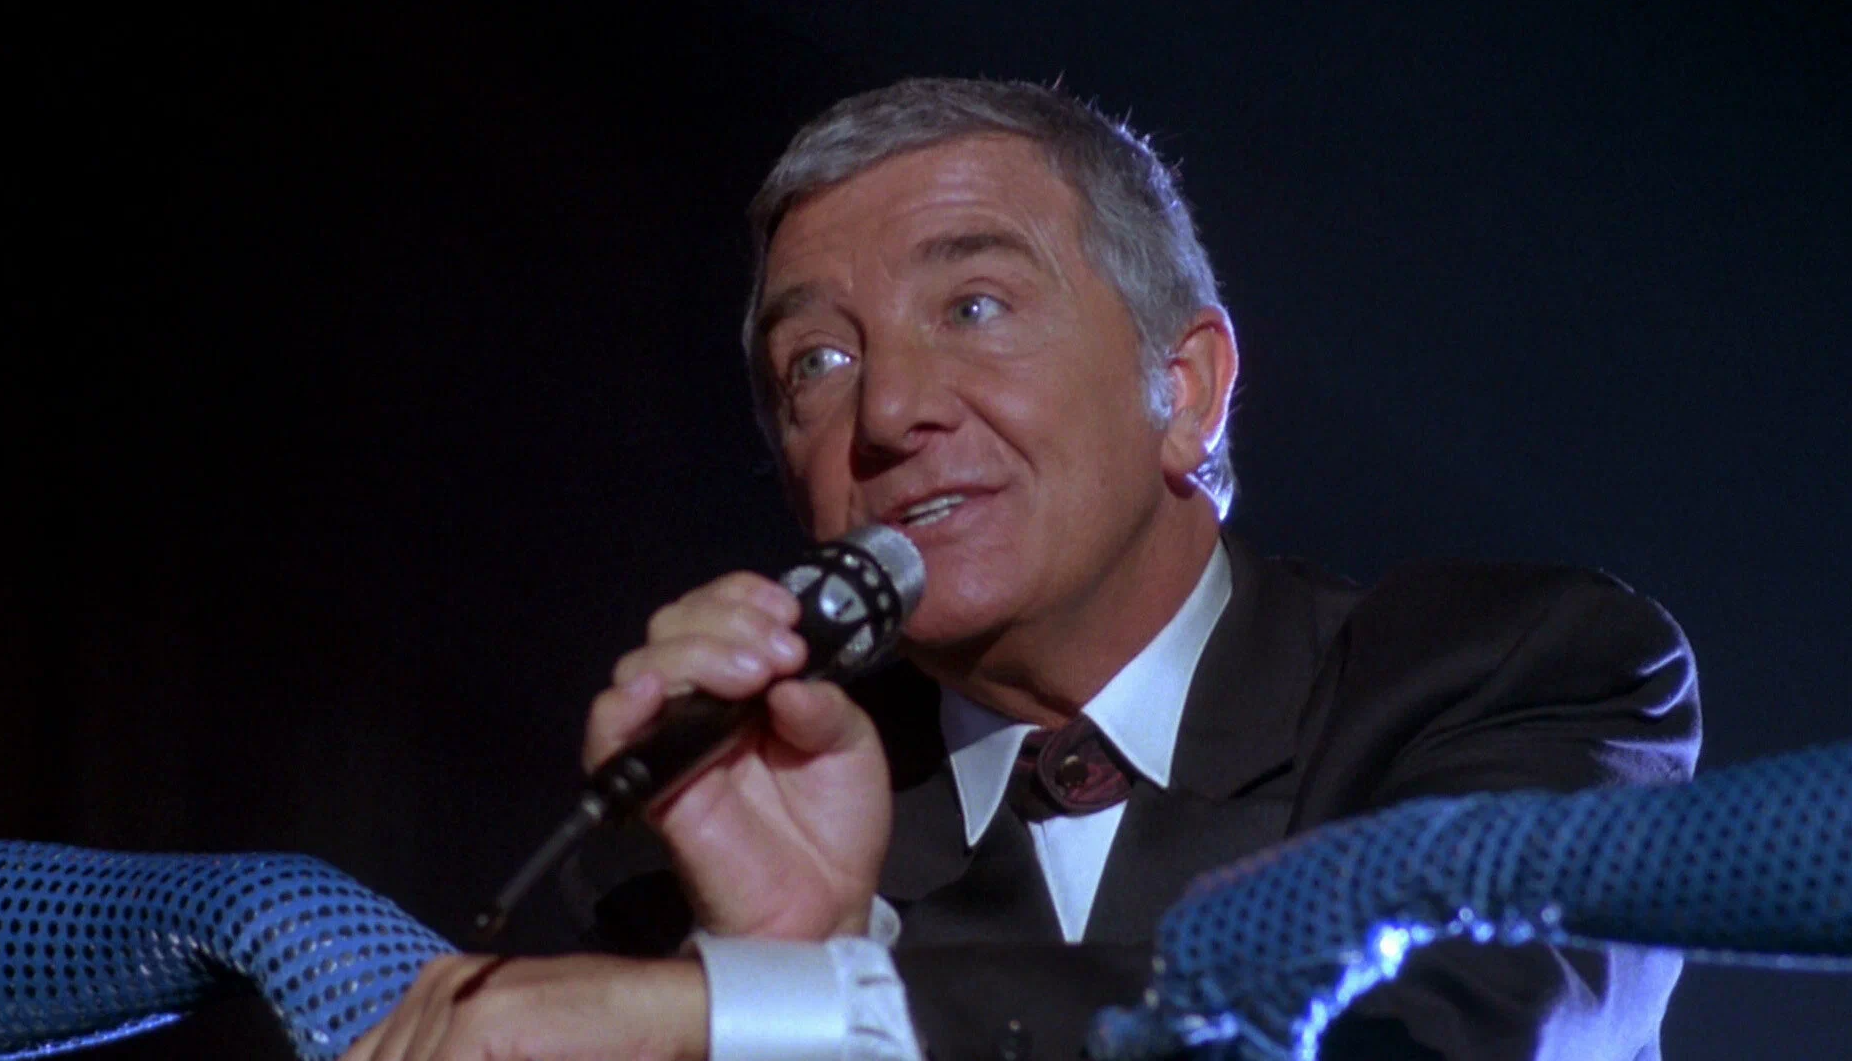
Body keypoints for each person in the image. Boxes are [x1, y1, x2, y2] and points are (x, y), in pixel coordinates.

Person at [342, 78, 1701, 1061]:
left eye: (975, 305)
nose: (887, 412)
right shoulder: (700, 860)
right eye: (818, 361)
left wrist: (794, 1011)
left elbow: (1421, 1040)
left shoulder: (1522, 673)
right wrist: (796, 950)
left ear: (1186, 388)